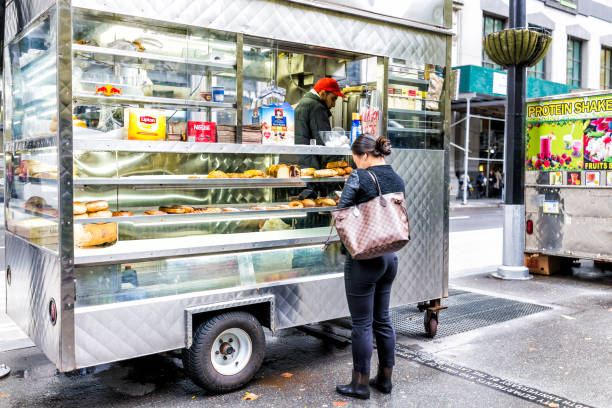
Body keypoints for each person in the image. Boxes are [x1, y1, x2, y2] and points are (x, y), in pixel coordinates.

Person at [335, 134, 405, 400]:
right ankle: (385, 379)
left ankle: (360, 383)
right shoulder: (396, 177)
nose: (355, 163)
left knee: (362, 324)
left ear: (364, 156)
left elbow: (342, 214)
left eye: (354, 159)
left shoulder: (359, 176)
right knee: (383, 319)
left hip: (364, 259)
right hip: (390, 257)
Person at [294, 77, 346, 169]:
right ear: (322, 93)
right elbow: (324, 142)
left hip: (297, 163)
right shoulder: (317, 107)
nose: (333, 104)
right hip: (310, 166)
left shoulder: (303, 103)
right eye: (333, 99)